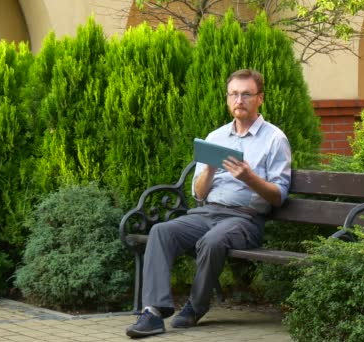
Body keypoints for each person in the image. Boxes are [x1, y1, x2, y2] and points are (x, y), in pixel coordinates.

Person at [125, 69, 292, 338]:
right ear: (227, 99)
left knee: (212, 241)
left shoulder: (274, 139)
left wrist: (249, 177)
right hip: (207, 211)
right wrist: (210, 170)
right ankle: (154, 313)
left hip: (245, 219)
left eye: (247, 94)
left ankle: (195, 306)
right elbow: (199, 194)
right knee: (160, 231)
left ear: (260, 98)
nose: (240, 100)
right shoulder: (215, 138)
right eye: (234, 94)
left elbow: (278, 196)